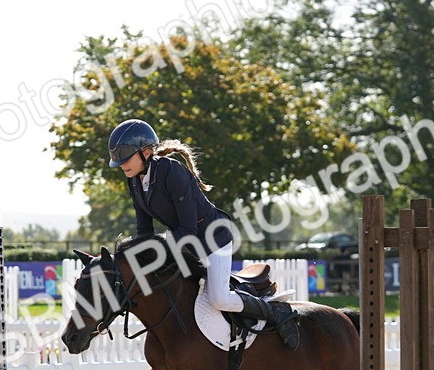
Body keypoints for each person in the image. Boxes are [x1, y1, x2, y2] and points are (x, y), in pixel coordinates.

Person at [107, 118, 297, 345]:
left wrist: (159, 250)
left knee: (219, 298)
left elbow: (188, 228)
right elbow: (144, 230)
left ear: (146, 153)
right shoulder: (134, 181)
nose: (122, 165)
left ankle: (275, 313)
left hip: (213, 239)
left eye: (126, 158)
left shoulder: (171, 171)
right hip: (187, 245)